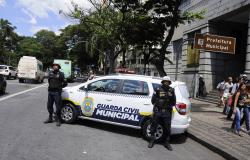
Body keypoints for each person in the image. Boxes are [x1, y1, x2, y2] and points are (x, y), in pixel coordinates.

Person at [148, 76, 176, 151]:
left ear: (169, 83)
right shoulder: (157, 89)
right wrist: (158, 103)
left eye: (168, 82)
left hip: (167, 112)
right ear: (163, 82)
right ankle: (152, 140)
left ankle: (166, 142)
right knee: (154, 126)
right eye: (165, 81)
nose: (166, 83)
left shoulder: (172, 90)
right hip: (158, 111)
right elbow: (153, 101)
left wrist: (168, 106)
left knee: (167, 128)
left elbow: (174, 102)